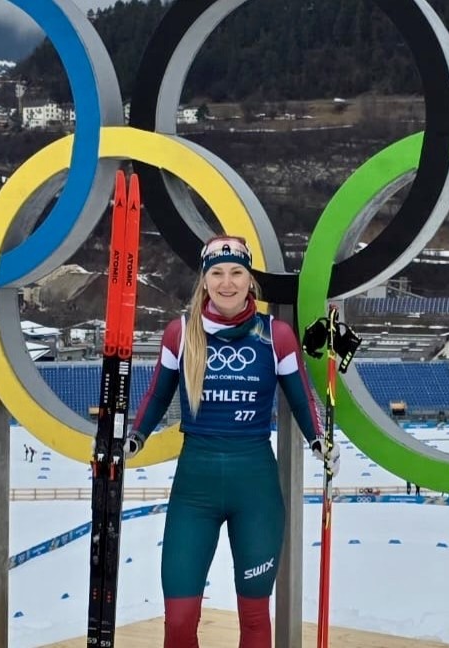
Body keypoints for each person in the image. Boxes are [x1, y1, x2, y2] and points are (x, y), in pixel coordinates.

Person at [129, 236, 335, 648]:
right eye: (217, 273)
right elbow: (156, 395)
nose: (227, 282)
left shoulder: (276, 336)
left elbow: (301, 398)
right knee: (179, 619)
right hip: (195, 488)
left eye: (236, 272)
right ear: (204, 281)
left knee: (256, 617)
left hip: (254, 488)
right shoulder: (181, 332)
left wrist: (320, 442)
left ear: (250, 280)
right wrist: (133, 438)